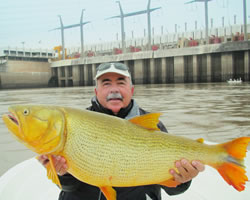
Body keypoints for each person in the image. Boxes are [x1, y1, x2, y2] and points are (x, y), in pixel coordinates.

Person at [38, 62, 205, 200]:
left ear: (131, 90)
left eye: (120, 82)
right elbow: (69, 186)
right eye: (106, 83)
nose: (114, 89)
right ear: (96, 92)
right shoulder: (76, 125)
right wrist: (63, 173)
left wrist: (183, 180)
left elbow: (172, 190)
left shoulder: (152, 126)